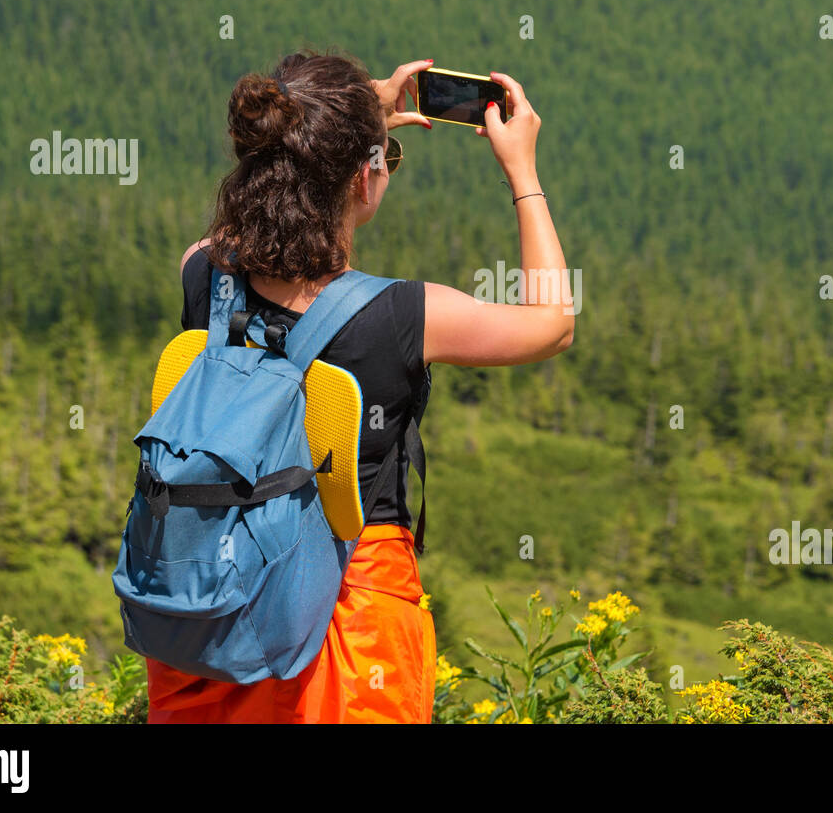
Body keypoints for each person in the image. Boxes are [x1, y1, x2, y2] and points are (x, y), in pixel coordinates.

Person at [145, 49, 574, 723]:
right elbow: (552, 324)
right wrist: (523, 173)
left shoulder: (204, 275)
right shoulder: (400, 316)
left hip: (211, 605)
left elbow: (234, 229)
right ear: (363, 183)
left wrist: (352, 128)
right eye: (381, 166)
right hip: (350, 623)